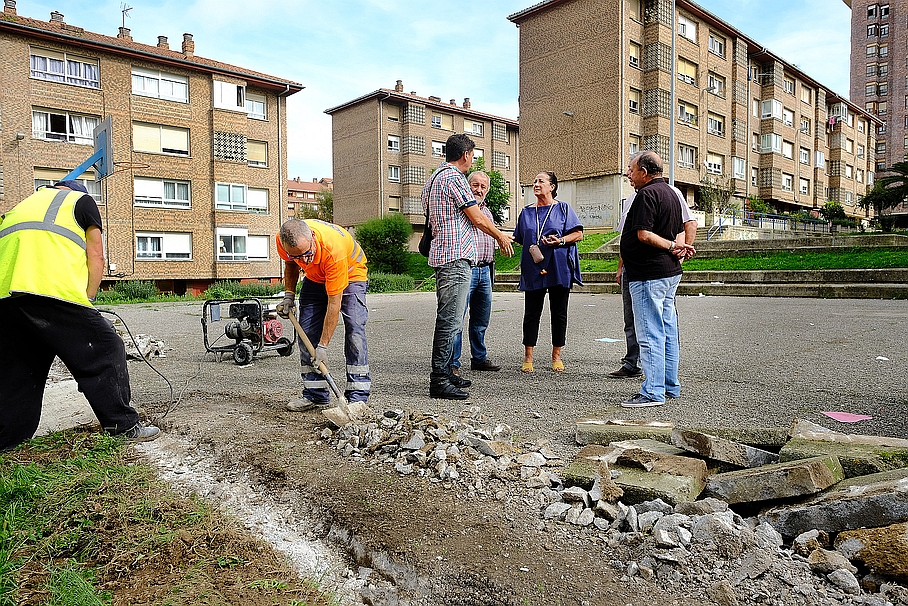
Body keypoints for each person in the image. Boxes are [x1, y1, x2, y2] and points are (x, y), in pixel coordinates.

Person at [0, 181, 161, 450]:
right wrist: (88, 299)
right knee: (106, 348)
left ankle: (8, 442)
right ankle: (122, 426)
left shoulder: (18, 208)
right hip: (51, 291)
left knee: (21, 372)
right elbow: (95, 256)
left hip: (7, 299)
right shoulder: (80, 203)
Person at [424, 133, 514, 400]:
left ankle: (447, 373)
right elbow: (475, 216)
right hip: (455, 258)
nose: (471, 160)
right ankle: (439, 379)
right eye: (472, 156)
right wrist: (500, 235)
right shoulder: (454, 178)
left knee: (451, 318)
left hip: (443, 254)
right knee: (450, 320)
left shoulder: (432, 180)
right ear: (466, 155)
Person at [619, 152, 696, 407]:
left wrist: (674, 246)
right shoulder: (673, 193)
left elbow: (643, 234)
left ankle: (652, 391)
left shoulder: (646, 194)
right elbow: (681, 226)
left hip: (648, 274)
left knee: (650, 332)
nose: (629, 175)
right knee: (668, 331)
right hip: (667, 273)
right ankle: (669, 385)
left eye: (631, 170)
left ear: (644, 170)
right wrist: (678, 247)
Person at [276, 218, 370, 411]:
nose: (303, 260)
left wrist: (323, 346)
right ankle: (315, 394)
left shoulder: (333, 250)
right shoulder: (283, 240)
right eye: (298, 256)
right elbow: (291, 264)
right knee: (306, 333)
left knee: (354, 330)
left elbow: (334, 305)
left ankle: (357, 396)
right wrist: (288, 295)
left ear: (312, 236)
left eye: (307, 254)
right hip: (315, 277)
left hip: (351, 273)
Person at [513, 172, 584, 373]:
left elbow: (578, 234)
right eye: (534, 181)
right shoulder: (526, 212)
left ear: (552, 186)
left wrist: (560, 241)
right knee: (531, 313)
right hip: (534, 266)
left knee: (559, 313)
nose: (536, 184)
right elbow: (520, 237)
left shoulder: (563, 208)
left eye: (541, 181)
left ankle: (556, 356)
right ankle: (528, 357)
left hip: (558, 267)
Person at [451, 171, 501, 375]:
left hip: (485, 270)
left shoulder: (487, 211)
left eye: (483, 187)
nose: (479, 190)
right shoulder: (463, 209)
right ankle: (452, 363)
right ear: (467, 185)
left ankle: (479, 358)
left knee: (481, 319)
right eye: (475, 185)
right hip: (467, 269)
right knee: (457, 318)